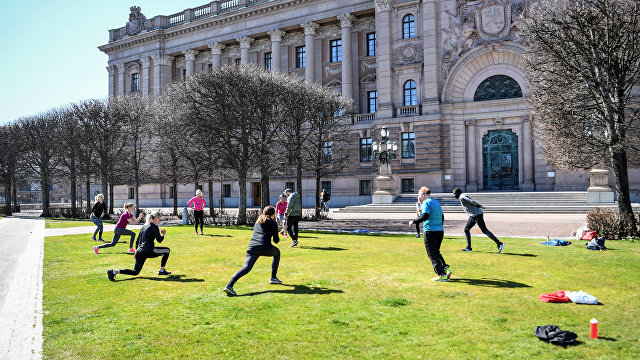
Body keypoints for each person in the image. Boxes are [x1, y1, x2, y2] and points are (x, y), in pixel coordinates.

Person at [223, 206, 282, 296]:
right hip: (264, 246)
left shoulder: (258, 221)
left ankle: (229, 285)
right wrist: (276, 228)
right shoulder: (272, 223)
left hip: (252, 247)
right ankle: (273, 277)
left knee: (245, 268)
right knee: (277, 253)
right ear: (273, 214)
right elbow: (276, 240)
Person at [107, 211, 171, 281]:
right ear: (155, 218)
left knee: (135, 272)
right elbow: (159, 240)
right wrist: (163, 234)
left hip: (140, 251)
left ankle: (113, 272)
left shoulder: (144, 226)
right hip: (149, 250)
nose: (158, 221)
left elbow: (137, 241)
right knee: (167, 250)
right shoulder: (154, 227)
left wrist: (136, 251)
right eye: (159, 219)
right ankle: (162, 270)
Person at [409, 186, 451, 282]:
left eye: (419, 195)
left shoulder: (426, 203)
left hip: (430, 231)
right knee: (436, 252)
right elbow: (442, 216)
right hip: (440, 230)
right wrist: (439, 225)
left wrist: (413, 221)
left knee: (432, 254)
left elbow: (425, 216)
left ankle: (441, 274)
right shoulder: (436, 202)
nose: (419, 197)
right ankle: (446, 269)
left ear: (423, 194)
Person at [452, 188, 504, 253]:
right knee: (466, 229)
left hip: (477, 215)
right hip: (473, 216)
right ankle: (469, 247)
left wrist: (480, 206)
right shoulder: (462, 196)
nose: (454, 195)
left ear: (458, 192)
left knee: (484, 230)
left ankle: (499, 243)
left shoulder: (462, 197)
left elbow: (471, 201)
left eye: (454, 193)